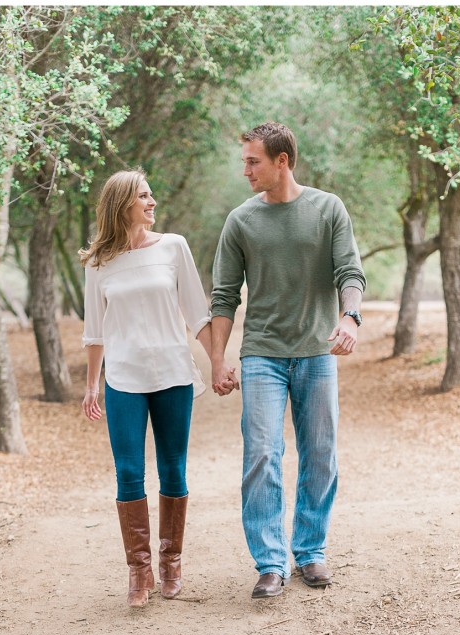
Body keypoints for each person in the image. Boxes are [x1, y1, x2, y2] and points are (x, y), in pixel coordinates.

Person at [210, 122, 366, 599]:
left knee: (321, 452)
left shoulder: (328, 208)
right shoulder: (241, 220)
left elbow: (350, 272)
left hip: (317, 352)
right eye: (244, 161)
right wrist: (218, 359)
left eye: (253, 161)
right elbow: (223, 296)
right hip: (262, 354)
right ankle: (270, 561)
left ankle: (311, 550)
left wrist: (350, 318)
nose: (246, 170)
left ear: (282, 161)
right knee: (262, 454)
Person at [80, 169, 233, 608]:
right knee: (128, 473)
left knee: (173, 469)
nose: (152, 202)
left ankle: (171, 563)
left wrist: (218, 363)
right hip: (123, 379)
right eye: (143, 196)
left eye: (151, 194)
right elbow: (95, 332)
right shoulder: (98, 263)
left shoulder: (173, 247)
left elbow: (197, 315)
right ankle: (138, 571)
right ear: (122, 203)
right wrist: (93, 386)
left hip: (172, 375)